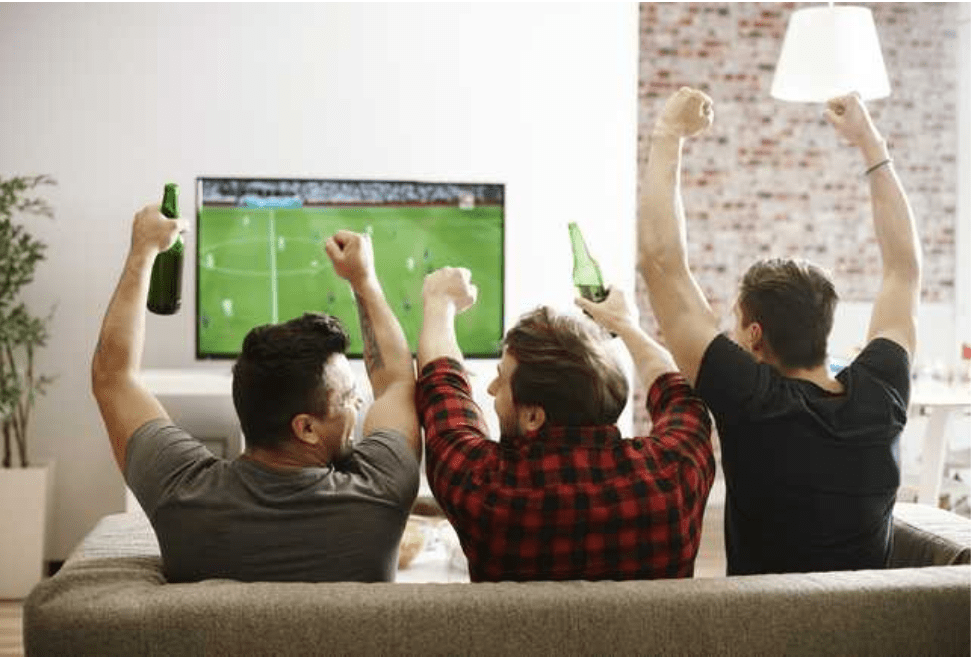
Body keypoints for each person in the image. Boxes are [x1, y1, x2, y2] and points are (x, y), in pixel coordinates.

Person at [638, 87, 919, 574]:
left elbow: (661, 263)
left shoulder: (752, 400)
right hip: (873, 640)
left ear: (754, 335)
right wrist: (869, 141)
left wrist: (668, 135)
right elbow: (904, 268)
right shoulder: (882, 392)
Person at [91, 209, 420, 583]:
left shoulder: (179, 491)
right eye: (347, 397)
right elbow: (397, 383)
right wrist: (364, 280)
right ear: (306, 428)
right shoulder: (383, 491)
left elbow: (113, 378)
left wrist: (142, 253)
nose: (358, 404)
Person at [414, 268, 714, 581]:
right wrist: (626, 326)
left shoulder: (484, 489)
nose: (491, 389)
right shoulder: (677, 473)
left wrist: (440, 301)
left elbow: (443, 384)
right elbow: (674, 389)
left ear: (533, 417)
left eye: (501, 379)